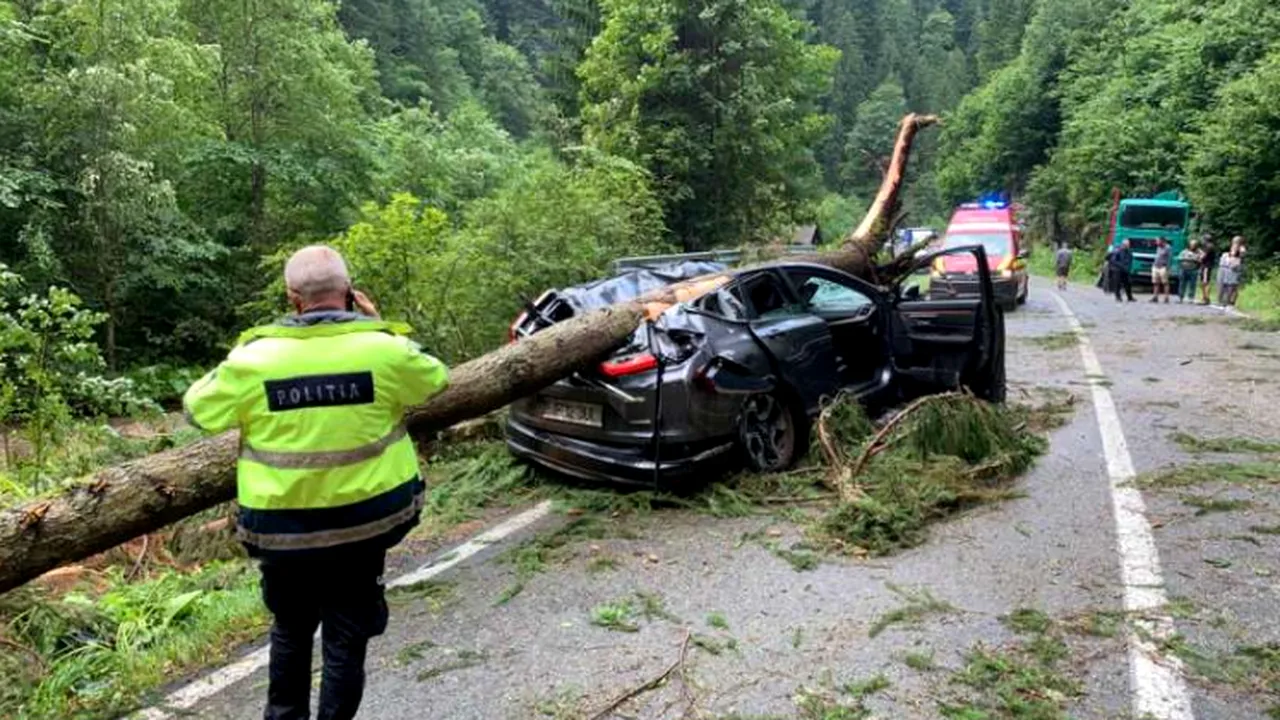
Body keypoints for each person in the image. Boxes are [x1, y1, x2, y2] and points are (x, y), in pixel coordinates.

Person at [183, 246, 449, 720]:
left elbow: (197, 409)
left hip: (281, 532)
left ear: (293, 298)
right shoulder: (383, 348)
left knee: (291, 626)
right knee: (347, 635)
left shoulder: (253, 359)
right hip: (366, 524)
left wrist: (242, 356)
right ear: (349, 293)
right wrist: (378, 325)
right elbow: (434, 378)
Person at [1218, 241, 1244, 307]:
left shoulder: (1239, 258)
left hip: (1232, 274)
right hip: (1223, 272)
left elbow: (1236, 267)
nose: (1234, 250)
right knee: (1221, 287)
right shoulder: (1225, 255)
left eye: (1235, 248)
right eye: (1233, 248)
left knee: (1230, 288)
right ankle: (1220, 300)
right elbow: (1222, 263)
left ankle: (1228, 301)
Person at [1175, 239, 1201, 304]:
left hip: (1193, 270)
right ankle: (1180, 297)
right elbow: (1179, 258)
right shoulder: (1184, 251)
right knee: (1182, 284)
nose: (1193, 246)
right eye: (1191, 245)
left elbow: (1199, 260)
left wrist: (1191, 259)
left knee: (1192, 284)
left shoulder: (1199, 252)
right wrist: (1189, 259)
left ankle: (1191, 298)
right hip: (1183, 269)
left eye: (1194, 245)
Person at [1150, 237, 1172, 303]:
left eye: (1157, 241)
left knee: (1165, 282)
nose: (1156, 242)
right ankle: (1155, 297)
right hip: (1156, 266)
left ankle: (1166, 298)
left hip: (1163, 267)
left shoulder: (1168, 248)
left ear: (1162, 241)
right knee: (1155, 282)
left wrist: (1168, 267)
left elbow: (1170, 258)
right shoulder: (1158, 247)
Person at [1198, 235, 1218, 305]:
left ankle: (1206, 298)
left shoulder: (1209, 247)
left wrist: (1200, 255)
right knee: (1203, 282)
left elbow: (1203, 256)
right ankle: (1204, 297)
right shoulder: (1209, 246)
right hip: (1206, 266)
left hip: (1206, 266)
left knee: (1205, 282)